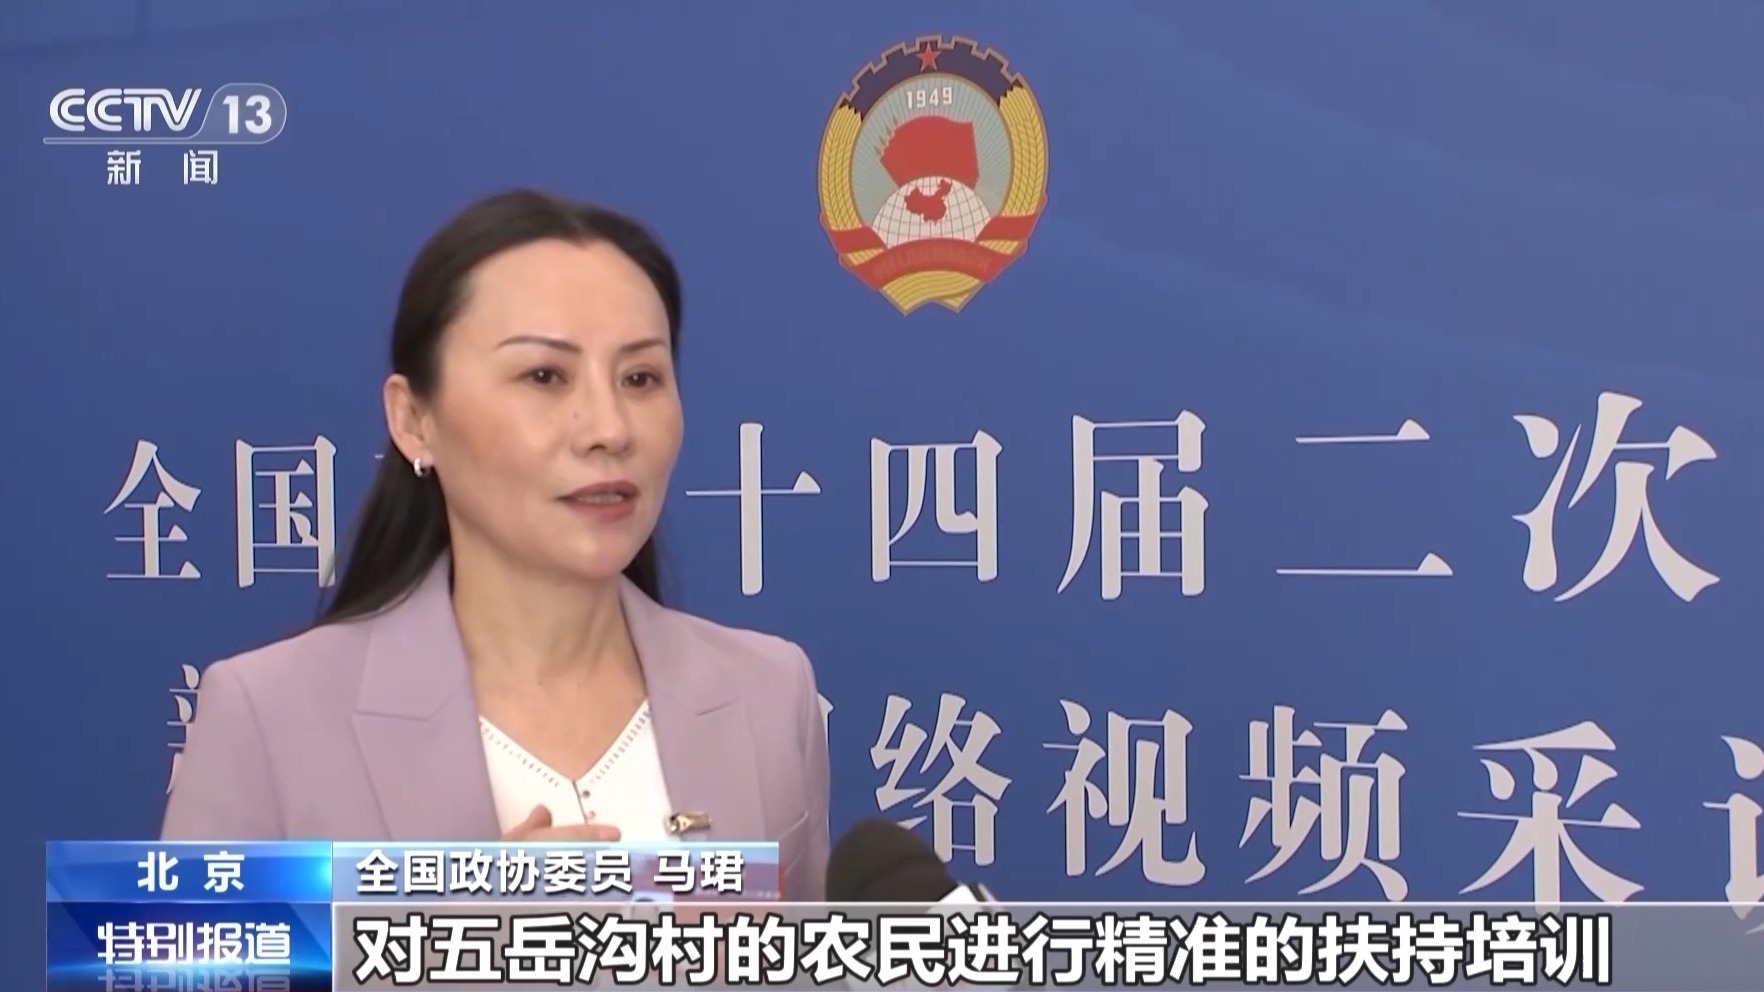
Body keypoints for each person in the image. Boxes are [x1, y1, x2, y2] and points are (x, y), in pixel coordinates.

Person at [162, 189, 830, 900]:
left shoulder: (768, 691)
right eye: (544, 376)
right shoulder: (269, 716)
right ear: (413, 419)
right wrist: (459, 938)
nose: (609, 428)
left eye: (640, 378)